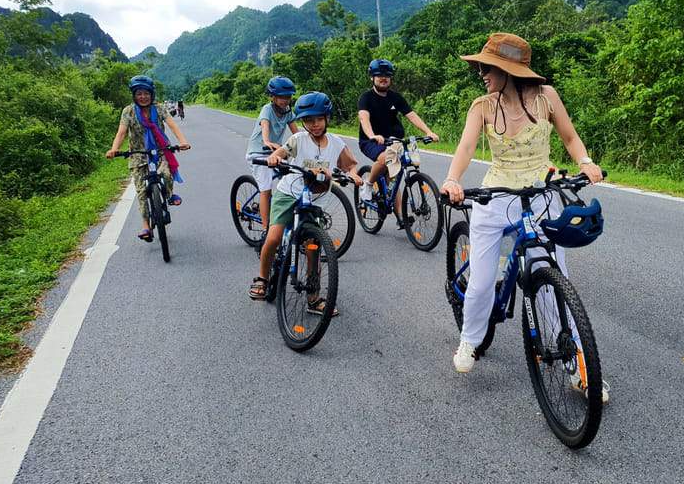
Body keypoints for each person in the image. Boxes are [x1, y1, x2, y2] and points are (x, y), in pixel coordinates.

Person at [439, 33, 608, 399]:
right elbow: (466, 147)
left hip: (539, 193)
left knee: (553, 282)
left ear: (508, 70)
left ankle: (576, 364)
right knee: (483, 281)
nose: (481, 73)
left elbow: (570, 136)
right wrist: (452, 179)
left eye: (487, 67)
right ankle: (469, 340)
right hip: (496, 194)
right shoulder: (481, 106)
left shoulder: (546, 97)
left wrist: (585, 161)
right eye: (481, 66)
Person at [248, 91, 363, 312]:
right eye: (309, 121)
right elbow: (282, 153)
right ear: (303, 122)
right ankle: (262, 277)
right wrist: (275, 158)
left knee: (313, 246)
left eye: (319, 119)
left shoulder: (337, 143)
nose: (315, 124)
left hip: (315, 199)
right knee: (273, 237)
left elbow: (350, 165)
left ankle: (314, 296)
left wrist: (354, 174)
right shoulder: (298, 140)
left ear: (327, 118)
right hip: (289, 193)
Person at [106, 75, 191, 242]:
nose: (143, 97)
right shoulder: (128, 111)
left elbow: (172, 125)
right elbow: (121, 132)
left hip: (159, 151)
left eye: (146, 93)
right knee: (142, 192)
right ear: (134, 95)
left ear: (151, 94)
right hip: (137, 155)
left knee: (166, 174)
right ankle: (146, 227)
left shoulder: (159, 109)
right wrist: (114, 149)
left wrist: (182, 141)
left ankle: (169, 194)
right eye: (139, 93)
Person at [357, 58, 439, 227]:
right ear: (372, 78)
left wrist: (428, 132)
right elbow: (364, 118)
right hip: (371, 141)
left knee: (394, 175)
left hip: (393, 141)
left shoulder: (396, 98)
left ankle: (401, 217)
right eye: (379, 75)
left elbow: (411, 115)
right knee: (384, 159)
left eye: (387, 75)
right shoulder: (366, 98)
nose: (383, 78)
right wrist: (372, 135)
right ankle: (368, 184)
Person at [245, 76, 299, 236]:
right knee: (266, 190)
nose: (285, 100)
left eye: (288, 97)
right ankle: (265, 230)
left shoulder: (288, 111)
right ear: (272, 97)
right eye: (282, 97)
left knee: (292, 180)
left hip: (276, 152)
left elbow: (297, 133)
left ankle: (285, 216)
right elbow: (265, 124)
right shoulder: (267, 109)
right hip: (258, 152)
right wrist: (267, 140)